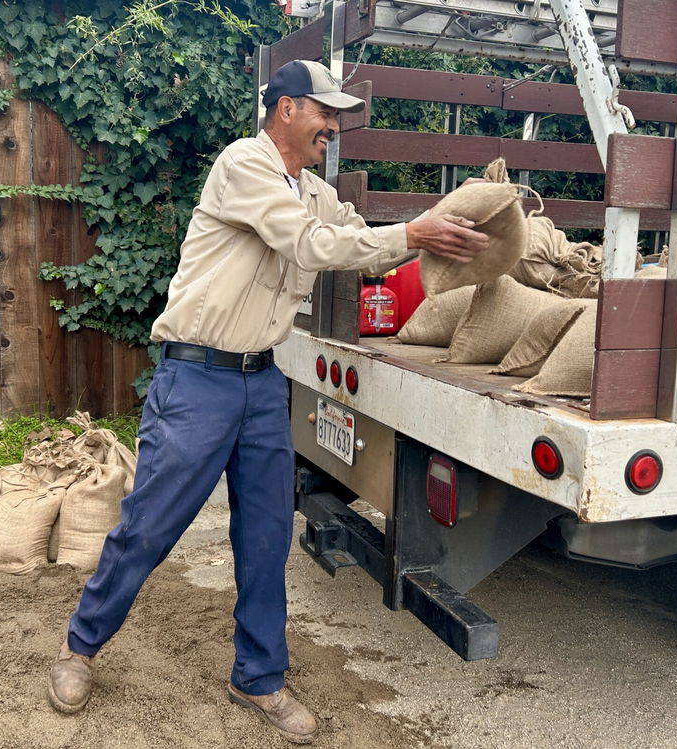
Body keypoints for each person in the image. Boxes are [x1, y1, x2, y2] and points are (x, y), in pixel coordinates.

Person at [47, 59, 489, 744]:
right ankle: (79, 647)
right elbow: (311, 244)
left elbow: (357, 243)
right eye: (325, 112)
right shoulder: (243, 166)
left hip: (260, 383)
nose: (334, 127)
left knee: (265, 536)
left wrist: (443, 228)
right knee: (150, 528)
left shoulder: (311, 189)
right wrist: (413, 235)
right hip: (196, 380)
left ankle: (257, 676)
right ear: (285, 108)